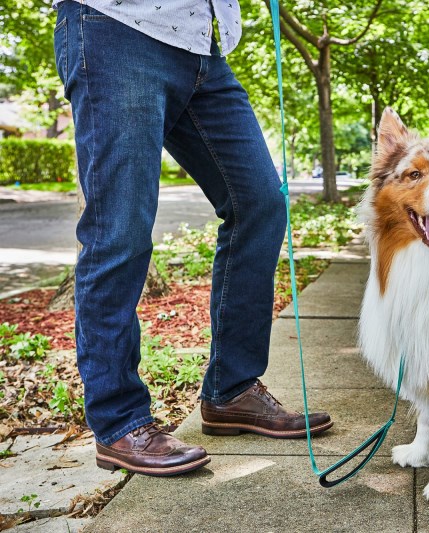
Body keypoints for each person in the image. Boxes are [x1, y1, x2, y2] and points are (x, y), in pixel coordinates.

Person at [52, 0, 333, 477]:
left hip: (202, 47)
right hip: (115, 27)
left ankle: (232, 390)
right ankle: (119, 421)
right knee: (119, 231)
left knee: (260, 205)